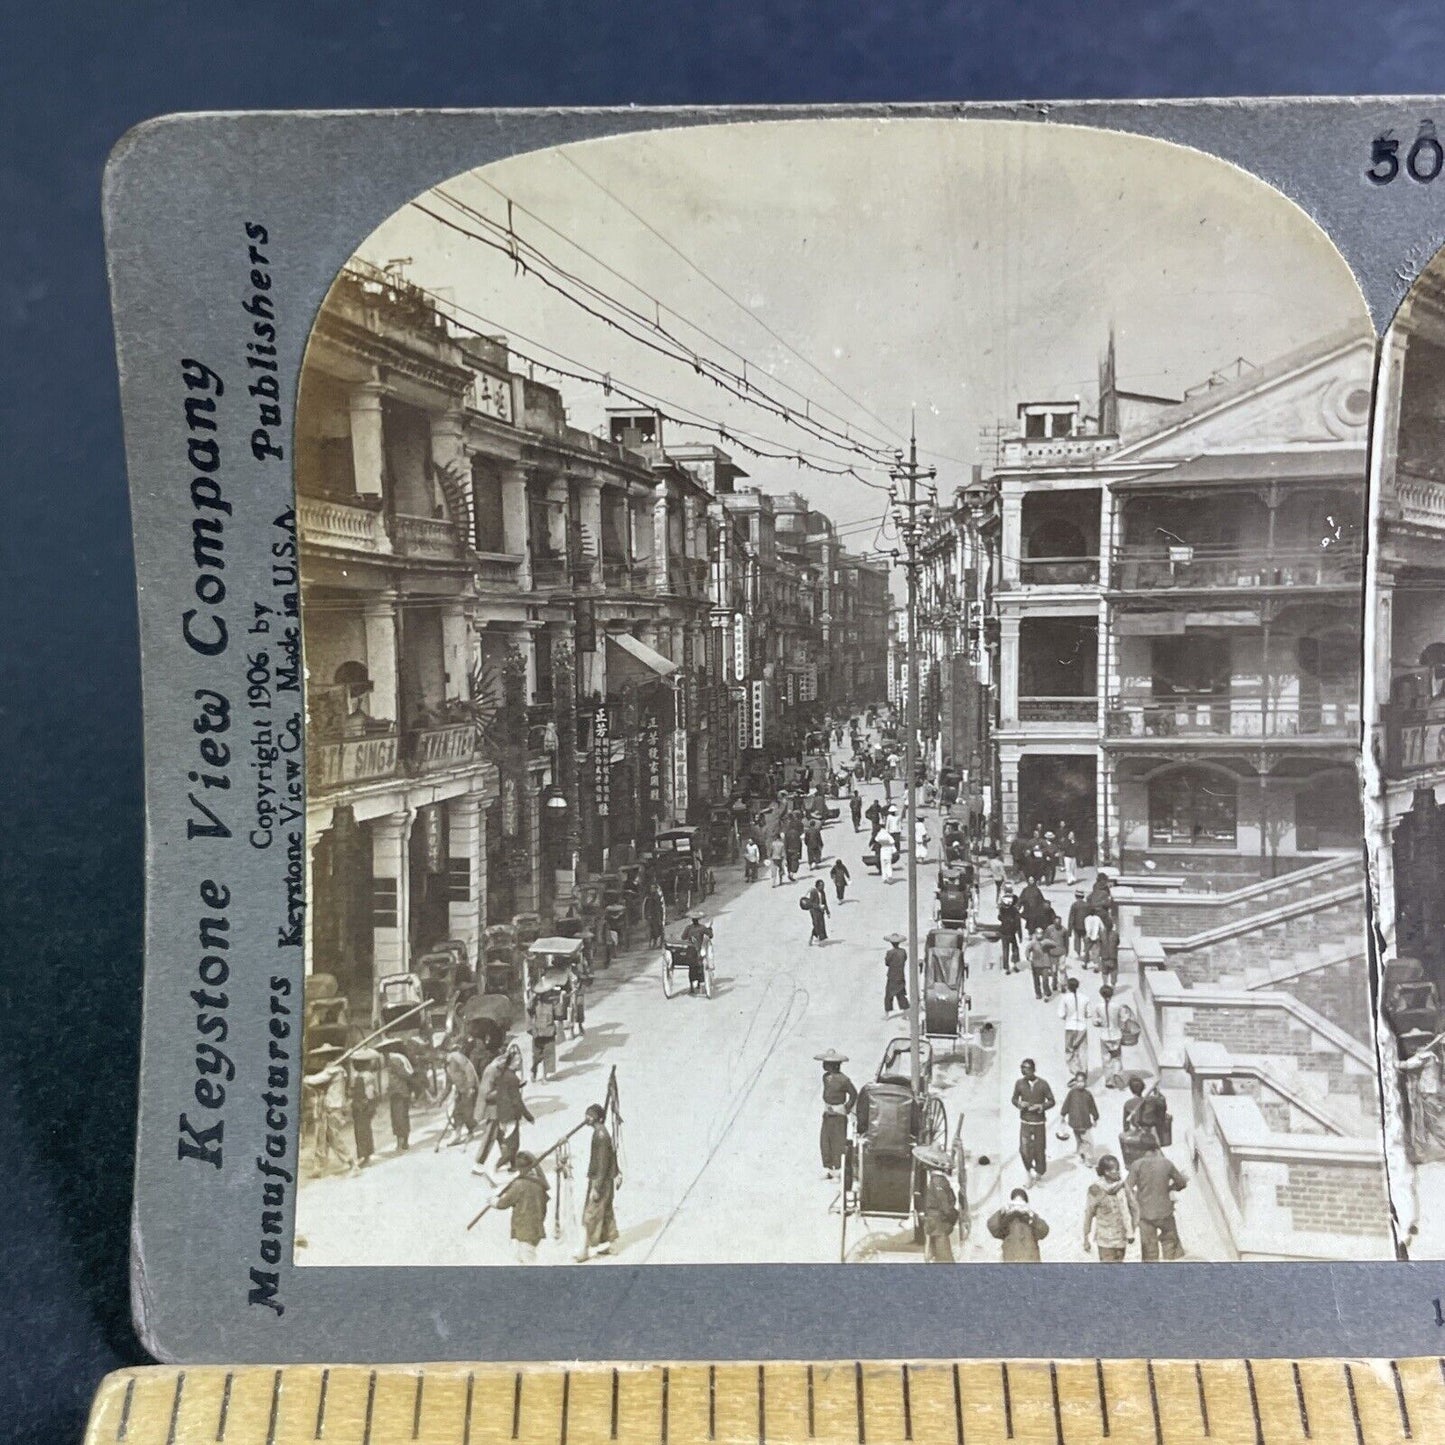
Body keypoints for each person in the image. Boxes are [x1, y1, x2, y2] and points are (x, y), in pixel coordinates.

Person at [1127, 1138, 1188, 1261]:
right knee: (1170, 1243)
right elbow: (1181, 1183)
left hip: (1144, 1214)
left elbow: (1127, 1188)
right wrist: (1170, 1188)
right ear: (1156, 1148)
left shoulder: (1136, 1165)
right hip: (1165, 1212)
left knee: (1149, 1251)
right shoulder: (1166, 1163)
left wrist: (1135, 1201)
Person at [576, 1103, 621, 1262]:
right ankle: (613, 1244)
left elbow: (602, 1164)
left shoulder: (601, 1136)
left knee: (591, 1214)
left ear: (596, 1118)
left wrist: (596, 1187)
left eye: (589, 1116)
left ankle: (585, 1250)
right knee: (606, 1210)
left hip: (600, 1181)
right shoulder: (601, 1132)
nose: (586, 1118)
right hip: (604, 1180)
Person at [304, 1046, 358, 1175]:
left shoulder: (334, 1070)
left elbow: (314, 1080)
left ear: (329, 1057)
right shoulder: (333, 1069)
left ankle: (352, 1164)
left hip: (333, 1108)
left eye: (324, 1056)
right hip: (327, 1106)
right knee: (321, 1136)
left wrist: (303, 1078)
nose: (321, 1059)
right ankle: (319, 1167)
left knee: (333, 1136)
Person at [491, 1150, 550, 1263]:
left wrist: (493, 1202)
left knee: (528, 1260)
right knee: (521, 1257)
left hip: (524, 1230)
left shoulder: (519, 1185)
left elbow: (503, 1204)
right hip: (536, 1228)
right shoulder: (539, 1184)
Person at [1082, 1155, 1137, 1262]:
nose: (1118, 1173)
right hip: (1105, 1241)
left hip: (1121, 1239)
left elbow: (1127, 1211)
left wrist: (1130, 1232)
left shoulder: (1122, 1187)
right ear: (1106, 1172)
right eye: (1115, 1170)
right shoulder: (1095, 1190)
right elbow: (1088, 1214)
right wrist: (1086, 1237)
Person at [1011, 1058, 1056, 1183]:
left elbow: (1052, 1101)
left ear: (1033, 1070)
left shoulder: (1043, 1084)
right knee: (1024, 1149)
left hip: (1039, 1123)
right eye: (1022, 1068)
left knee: (1039, 1149)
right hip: (1025, 1122)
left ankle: (1039, 1173)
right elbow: (1014, 1099)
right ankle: (1029, 1171)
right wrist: (1019, 1103)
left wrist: (1041, 1106)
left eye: (1027, 1068)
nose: (1024, 1071)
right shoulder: (1019, 1083)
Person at [816, 1050, 857, 1178]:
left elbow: (853, 1094)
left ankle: (838, 1171)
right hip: (827, 1113)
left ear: (834, 1065)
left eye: (826, 1063)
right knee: (825, 1140)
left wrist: (847, 1107)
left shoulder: (844, 1080)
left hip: (839, 1114)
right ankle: (828, 1168)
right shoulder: (826, 1078)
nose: (824, 1065)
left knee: (838, 1141)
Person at [915, 1145, 960, 1263]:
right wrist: (954, 1216)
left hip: (934, 1224)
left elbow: (943, 1204)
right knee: (945, 1260)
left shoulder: (935, 1181)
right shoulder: (939, 1181)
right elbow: (946, 1205)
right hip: (939, 1225)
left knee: (936, 1258)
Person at [986, 1188, 1049, 1261]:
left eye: (1021, 1202)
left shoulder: (1031, 1217)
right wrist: (1002, 1211)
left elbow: (1044, 1231)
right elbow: (992, 1227)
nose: (1018, 1204)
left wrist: (1031, 1216)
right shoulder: (1006, 1219)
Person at [1059, 1071, 1099, 1164]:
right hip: (1077, 1122)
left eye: (1082, 1081)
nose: (1080, 1084)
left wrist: (1095, 1117)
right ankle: (1086, 1157)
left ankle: (1082, 1155)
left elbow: (1093, 1107)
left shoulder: (1088, 1094)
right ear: (1075, 1082)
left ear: (1085, 1082)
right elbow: (1066, 1104)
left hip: (1083, 1121)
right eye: (1078, 1081)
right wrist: (1063, 1115)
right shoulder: (1072, 1093)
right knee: (1086, 1141)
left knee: (1083, 1140)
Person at [1092, 985, 1126, 1090]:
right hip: (1116, 1035)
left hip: (1104, 1035)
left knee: (1106, 1058)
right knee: (1117, 1057)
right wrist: (1121, 1027)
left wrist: (1100, 1023)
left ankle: (1109, 1080)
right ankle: (1117, 1072)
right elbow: (1124, 1019)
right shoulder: (1118, 1006)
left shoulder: (1098, 1007)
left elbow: (1095, 1021)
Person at [1058, 976, 1089, 1079]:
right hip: (1082, 1027)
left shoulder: (1065, 998)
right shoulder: (1085, 998)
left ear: (1068, 987)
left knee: (1070, 1050)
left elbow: (1061, 1014)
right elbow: (1088, 1014)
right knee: (1082, 1051)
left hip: (1070, 1027)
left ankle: (1076, 1072)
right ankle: (1083, 1072)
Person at [384, 1046, 414, 1153]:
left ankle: (400, 1144)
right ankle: (404, 1142)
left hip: (398, 1092)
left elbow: (403, 1074)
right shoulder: (401, 1058)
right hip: (401, 1091)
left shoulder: (394, 1059)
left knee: (398, 1117)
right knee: (402, 1117)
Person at [350, 1060, 377, 1168]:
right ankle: (366, 1154)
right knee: (365, 1129)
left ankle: (364, 1155)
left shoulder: (361, 1076)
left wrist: (366, 1102)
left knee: (361, 1130)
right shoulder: (367, 1075)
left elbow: (369, 1092)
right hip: (363, 1105)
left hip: (361, 1106)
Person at [681, 914, 712, 993]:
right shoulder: (702, 928)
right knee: (700, 966)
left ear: (692, 920)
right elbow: (711, 935)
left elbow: (683, 937)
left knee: (691, 968)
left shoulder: (688, 928)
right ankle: (699, 983)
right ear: (698, 920)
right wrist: (710, 929)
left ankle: (691, 986)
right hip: (698, 950)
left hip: (690, 951)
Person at [884, 934, 909, 1018]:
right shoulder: (903, 952)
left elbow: (887, 963)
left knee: (888, 996)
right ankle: (905, 1014)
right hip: (900, 975)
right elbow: (905, 959)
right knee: (901, 995)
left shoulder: (890, 953)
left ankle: (887, 1015)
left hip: (892, 976)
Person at [1027, 930, 1056, 1002]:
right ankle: (1038, 993)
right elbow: (1027, 949)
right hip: (1036, 964)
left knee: (1045, 980)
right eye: (1038, 933)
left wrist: (1046, 943)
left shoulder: (1046, 941)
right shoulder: (1033, 943)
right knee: (1036, 980)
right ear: (1035, 934)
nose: (1039, 935)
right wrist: (1028, 957)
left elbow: (1054, 944)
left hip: (1045, 964)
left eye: (1040, 933)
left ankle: (1046, 994)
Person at [998, 889, 1022, 974]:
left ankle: (1006, 968)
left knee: (1005, 950)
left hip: (1004, 932)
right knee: (1015, 949)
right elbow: (1018, 924)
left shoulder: (1002, 909)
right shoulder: (1014, 911)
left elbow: (999, 918)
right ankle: (1014, 965)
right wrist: (1020, 935)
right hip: (1011, 933)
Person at [1067, 889, 1090, 961]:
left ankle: (1078, 953)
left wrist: (1069, 930)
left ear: (1076, 896)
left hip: (1076, 926)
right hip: (1085, 926)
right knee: (1086, 940)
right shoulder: (1087, 905)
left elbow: (1071, 917)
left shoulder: (1074, 905)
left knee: (1077, 940)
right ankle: (1086, 953)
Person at [805, 881, 829, 946]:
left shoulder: (823, 892)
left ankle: (813, 937)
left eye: (823, 885)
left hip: (821, 911)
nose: (823, 887)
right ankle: (818, 940)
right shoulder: (813, 892)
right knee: (816, 924)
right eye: (821, 885)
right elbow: (811, 903)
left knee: (821, 925)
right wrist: (818, 906)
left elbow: (824, 902)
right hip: (814, 911)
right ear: (817, 886)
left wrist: (827, 912)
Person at [1098, 918, 1119, 989]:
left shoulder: (1101, 934)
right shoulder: (1116, 934)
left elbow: (1099, 943)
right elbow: (1118, 943)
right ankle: (1113, 985)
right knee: (1114, 971)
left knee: (1104, 972)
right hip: (1113, 957)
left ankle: (1105, 985)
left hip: (1104, 956)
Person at [644, 881, 666, 946]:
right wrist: (647, 915)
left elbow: (660, 907)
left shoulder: (658, 896)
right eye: (651, 888)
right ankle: (654, 942)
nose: (652, 889)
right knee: (652, 930)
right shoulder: (649, 897)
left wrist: (660, 916)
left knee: (659, 929)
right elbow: (647, 907)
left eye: (653, 888)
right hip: (652, 915)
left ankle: (661, 942)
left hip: (657, 915)